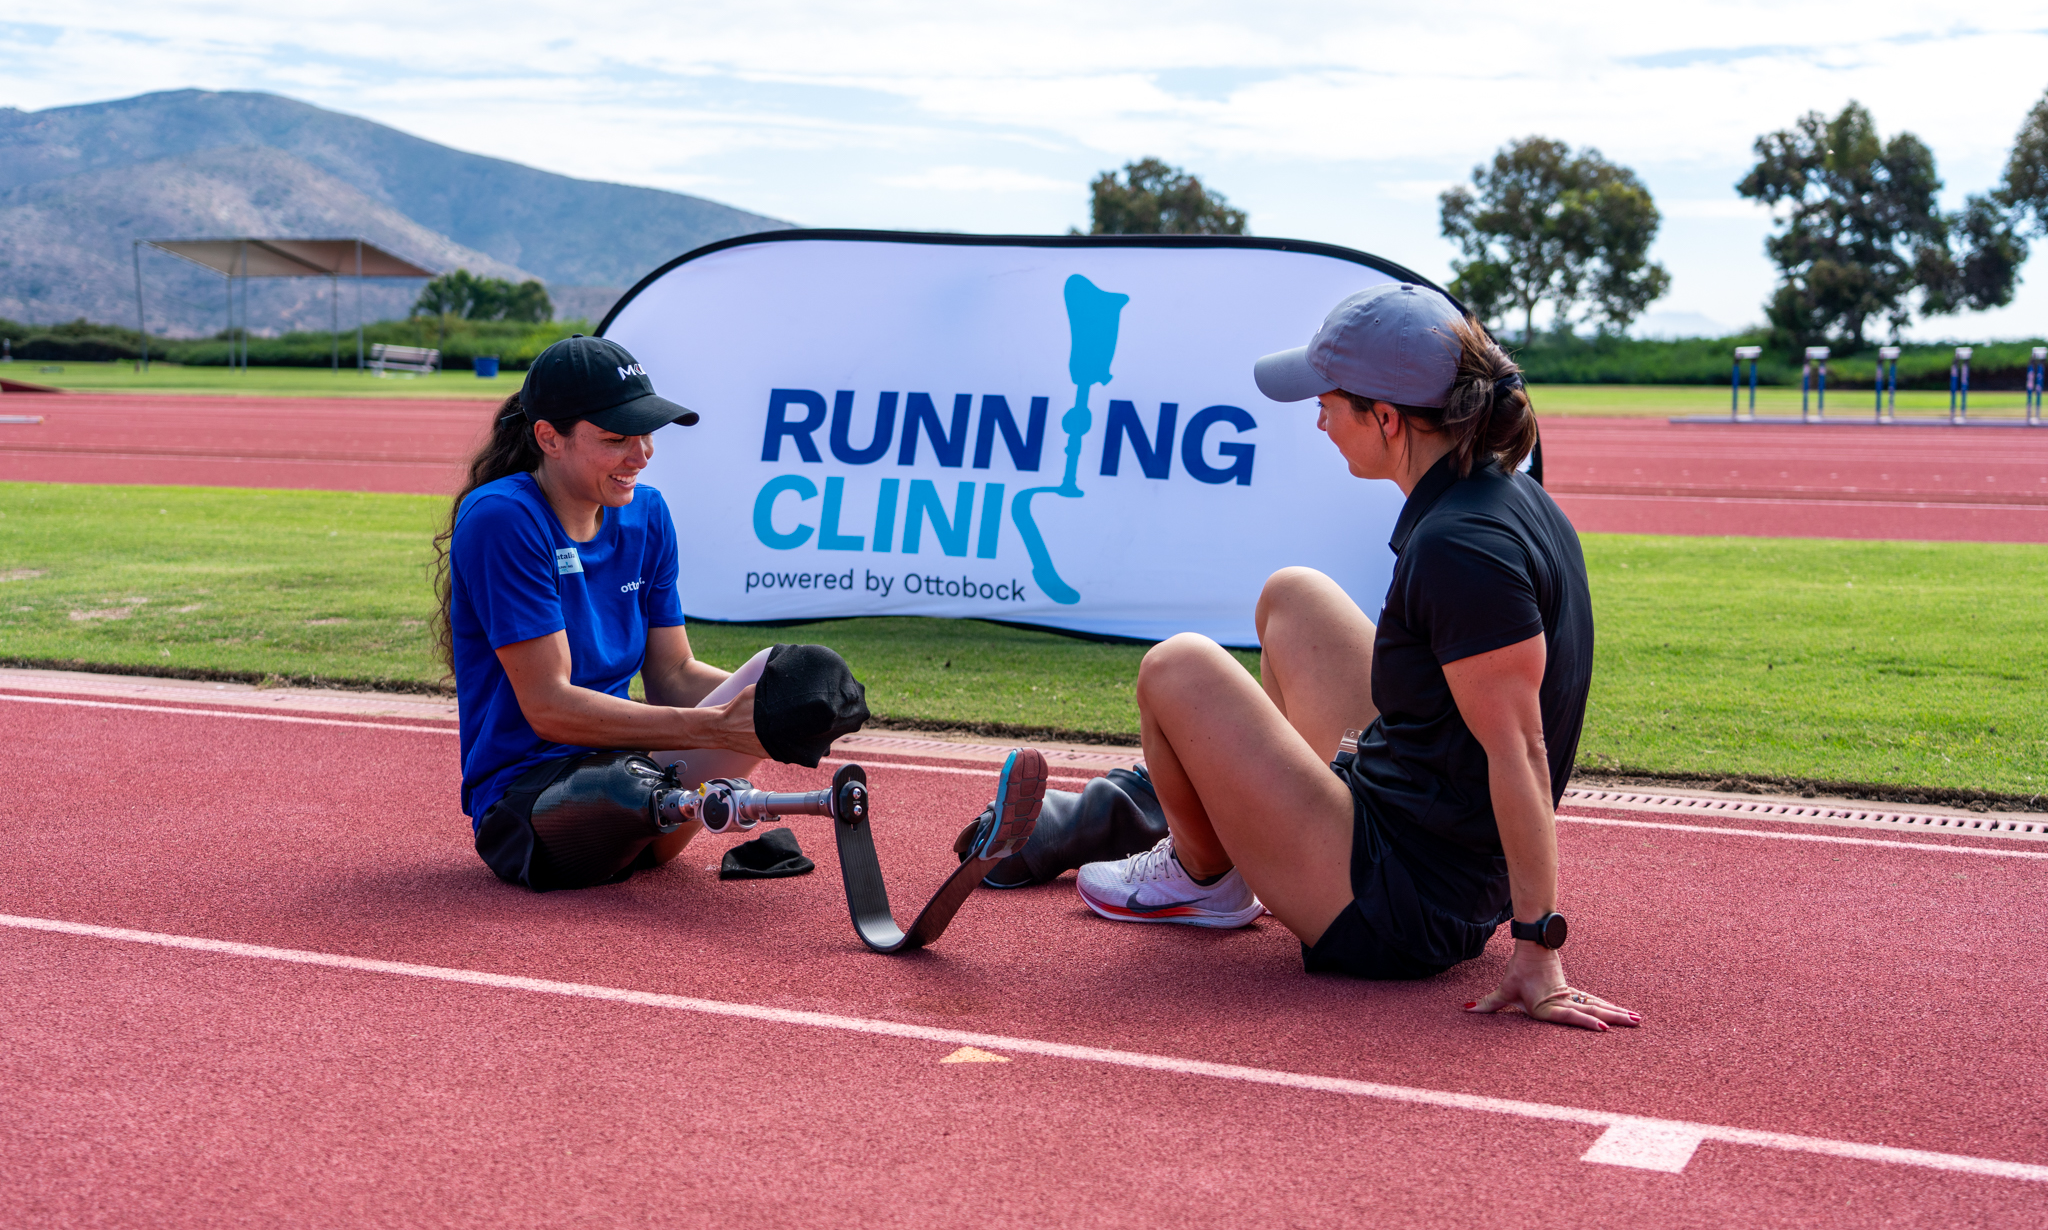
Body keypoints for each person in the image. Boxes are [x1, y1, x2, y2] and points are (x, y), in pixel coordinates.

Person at [964, 284, 1637, 1031]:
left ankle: (1202, 876)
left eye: (1329, 401)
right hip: (1420, 832)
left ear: (1386, 419)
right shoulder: (1504, 495)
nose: (1317, 418)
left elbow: (1521, 750)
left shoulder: (1461, 549)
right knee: (1295, 598)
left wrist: (1538, 944)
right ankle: (1208, 837)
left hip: (1405, 904)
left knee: (1176, 666)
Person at [435, 335, 867, 892]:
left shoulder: (649, 513)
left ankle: (1003, 837)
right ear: (549, 437)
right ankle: (687, 801)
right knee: (621, 784)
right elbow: (549, 707)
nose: (641, 454)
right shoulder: (502, 518)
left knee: (796, 673)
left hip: (638, 779)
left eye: (646, 434)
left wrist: (779, 709)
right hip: (531, 805)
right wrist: (716, 729)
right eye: (617, 438)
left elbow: (672, 674)